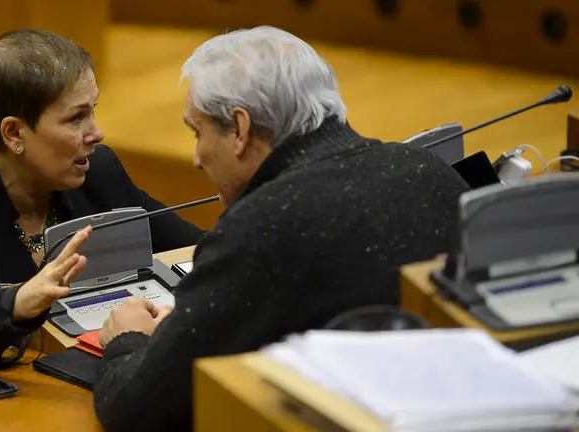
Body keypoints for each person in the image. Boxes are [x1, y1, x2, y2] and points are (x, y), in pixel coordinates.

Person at [92, 26, 471, 431]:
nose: (197, 159)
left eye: (197, 132)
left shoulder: (263, 227)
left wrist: (126, 342)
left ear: (239, 129)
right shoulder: (432, 174)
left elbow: (135, 407)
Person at [0, 28, 204, 373]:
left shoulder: (99, 174)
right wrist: (17, 302)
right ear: (13, 133)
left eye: (92, 111)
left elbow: (199, 249)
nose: (96, 133)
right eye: (76, 118)